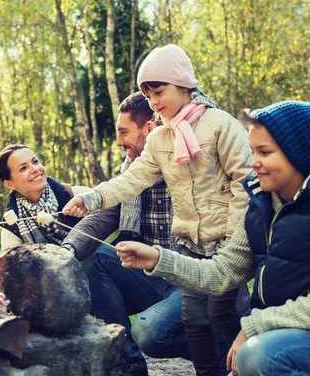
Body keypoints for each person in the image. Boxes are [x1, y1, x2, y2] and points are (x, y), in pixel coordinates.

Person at [116, 100, 310, 376]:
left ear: (296, 153)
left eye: (264, 152)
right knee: (255, 355)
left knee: (256, 356)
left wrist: (253, 327)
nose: (254, 163)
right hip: (286, 333)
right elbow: (221, 272)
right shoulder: (262, 206)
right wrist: (159, 259)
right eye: (253, 151)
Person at [64, 44, 254, 376]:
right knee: (195, 325)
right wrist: (92, 198)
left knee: (224, 317)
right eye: (148, 94)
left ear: (184, 85)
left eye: (159, 91)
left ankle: (255, 352)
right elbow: (132, 179)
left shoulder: (219, 125)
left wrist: (234, 237)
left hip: (226, 249)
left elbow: (245, 180)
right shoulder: (160, 139)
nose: (153, 101)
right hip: (190, 250)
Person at [61, 92, 192, 376]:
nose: (119, 142)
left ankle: (221, 347)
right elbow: (103, 215)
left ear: (149, 129)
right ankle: (128, 364)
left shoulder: (189, 165)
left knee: (150, 332)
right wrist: (67, 250)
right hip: (150, 278)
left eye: (124, 132)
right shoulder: (129, 172)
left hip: (191, 278)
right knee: (91, 257)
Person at [0, 144, 85, 250]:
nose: (35, 169)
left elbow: (104, 201)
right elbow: (11, 264)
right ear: (10, 184)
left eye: (35, 162)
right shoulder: (12, 227)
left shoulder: (73, 195)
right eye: (23, 168)